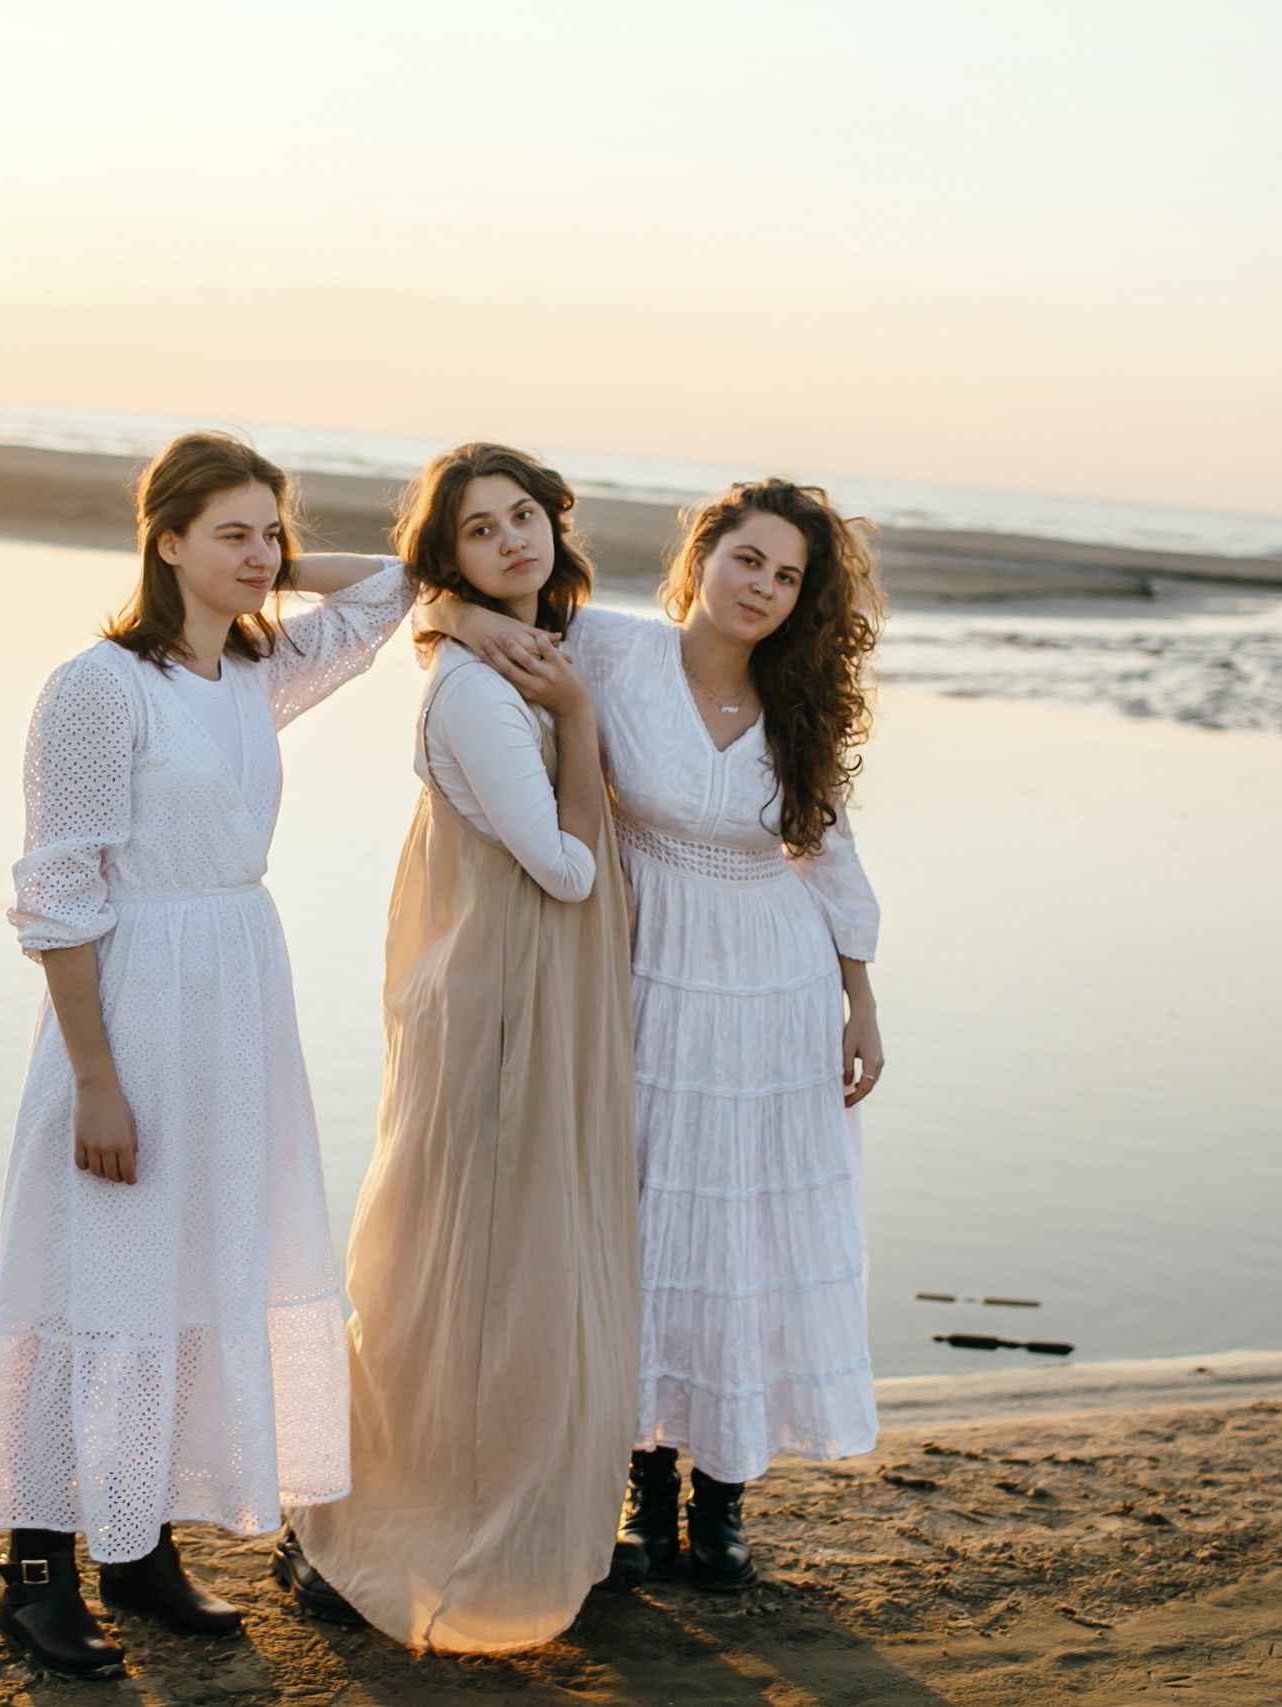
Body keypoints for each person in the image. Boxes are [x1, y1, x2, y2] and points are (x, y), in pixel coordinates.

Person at [0, 431, 417, 1676]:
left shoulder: (252, 674)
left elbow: (388, 590)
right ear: (162, 540)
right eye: (231, 533)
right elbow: (59, 892)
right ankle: (38, 1573)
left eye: (272, 532)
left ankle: (140, 1548)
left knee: (198, 1263)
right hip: (133, 1002)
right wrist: (95, 1080)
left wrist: (270, 566)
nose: (262, 556)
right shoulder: (99, 687)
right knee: (90, 1273)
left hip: (235, 997)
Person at [436, 478, 887, 1592]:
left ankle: (723, 1501)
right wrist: (428, 605)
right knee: (634, 1221)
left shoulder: (800, 699)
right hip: (638, 973)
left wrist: (860, 996)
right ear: (702, 553)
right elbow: (454, 609)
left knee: (740, 1238)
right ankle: (641, 1493)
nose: (764, 590)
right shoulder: (610, 649)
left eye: (787, 579)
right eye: (749, 561)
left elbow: (824, 856)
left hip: (771, 993)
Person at [277, 443, 640, 1652]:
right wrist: (575, 717)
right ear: (451, 559)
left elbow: (391, 576)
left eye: (523, 516)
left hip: (527, 989)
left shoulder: (540, 643)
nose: (513, 542)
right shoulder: (489, 690)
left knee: (498, 1261)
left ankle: (495, 1498)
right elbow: (567, 865)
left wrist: (448, 604)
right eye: (479, 532)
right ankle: (370, 1515)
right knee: (458, 1267)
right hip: (498, 999)